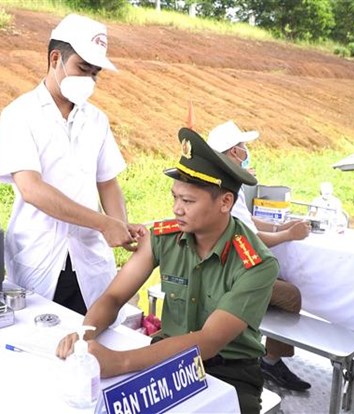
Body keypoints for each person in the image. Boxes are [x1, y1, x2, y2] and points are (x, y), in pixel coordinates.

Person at [57, 127, 280, 413]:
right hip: (165, 357)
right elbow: (114, 297)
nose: (176, 209)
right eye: (175, 197)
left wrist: (120, 362)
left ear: (225, 202)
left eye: (188, 201)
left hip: (229, 371)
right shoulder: (163, 238)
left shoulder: (256, 263)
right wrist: (84, 335)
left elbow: (209, 341)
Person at [0, 14, 145, 316]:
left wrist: (121, 226)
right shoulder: (19, 115)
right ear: (55, 59)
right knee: (41, 344)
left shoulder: (96, 120)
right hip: (40, 256)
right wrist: (104, 223)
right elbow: (32, 189)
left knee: (93, 341)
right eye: (82, 68)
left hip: (89, 260)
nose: (88, 80)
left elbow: (107, 182)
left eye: (95, 73)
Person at [207, 120, 312, 391]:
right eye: (243, 147)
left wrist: (282, 226)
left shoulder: (221, 179)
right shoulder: (227, 186)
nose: (246, 151)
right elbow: (250, 237)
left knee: (277, 279)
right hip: (228, 270)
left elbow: (248, 221)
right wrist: (290, 235)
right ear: (233, 152)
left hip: (222, 263)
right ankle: (270, 360)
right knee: (291, 296)